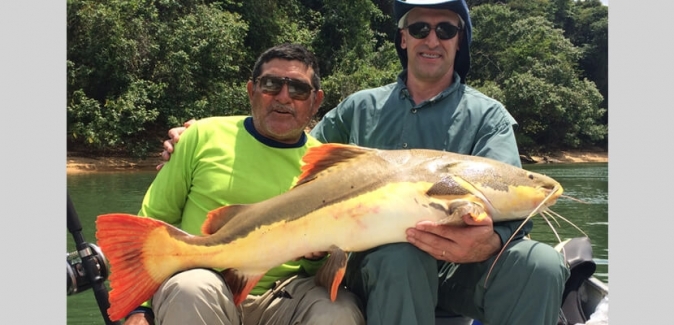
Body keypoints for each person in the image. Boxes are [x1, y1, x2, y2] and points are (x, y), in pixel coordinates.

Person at [158, 1, 570, 324]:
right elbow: (293, 151)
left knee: (543, 263)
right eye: (419, 28)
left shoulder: (489, 116)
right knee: (400, 256)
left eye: (446, 29)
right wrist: (206, 133)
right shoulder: (359, 108)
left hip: (463, 267)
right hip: (375, 268)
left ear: (459, 40)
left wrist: (492, 240)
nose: (432, 39)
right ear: (403, 38)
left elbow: (515, 202)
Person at [127, 43, 364, 325]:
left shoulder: (328, 168)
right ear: (252, 90)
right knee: (190, 289)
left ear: (316, 100)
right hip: (208, 282)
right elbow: (151, 223)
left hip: (288, 295)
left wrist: (316, 256)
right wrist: (139, 308)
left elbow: (324, 267)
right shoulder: (200, 136)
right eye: (271, 85)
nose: (284, 97)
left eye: (298, 90)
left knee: (339, 311)